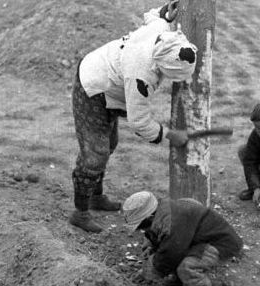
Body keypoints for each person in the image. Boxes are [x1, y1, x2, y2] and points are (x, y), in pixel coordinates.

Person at [69, 0, 198, 232]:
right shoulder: (141, 76)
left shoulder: (163, 34)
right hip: (93, 86)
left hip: (110, 82)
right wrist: (169, 135)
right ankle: (80, 212)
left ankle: (96, 197)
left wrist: (165, 13)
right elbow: (139, 122)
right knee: (95, 154)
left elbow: (153, 17)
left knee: (109, 143)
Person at [122, 191, 243, 286]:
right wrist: (151, 248)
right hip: (197, 239)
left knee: (187, 267)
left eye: (141, 226)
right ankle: (181, 281)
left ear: (149, 218)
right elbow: (161, 239)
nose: (141, 230)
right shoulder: (163, 211)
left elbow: (170, 254)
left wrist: (150, 269)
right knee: (173, 253)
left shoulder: (172, 222)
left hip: (221, 243)